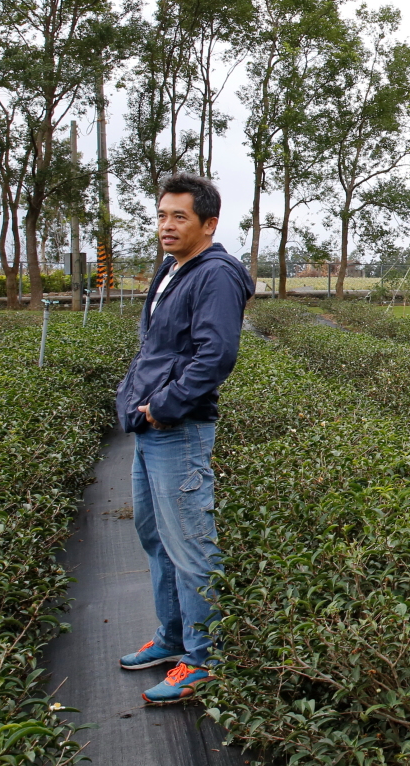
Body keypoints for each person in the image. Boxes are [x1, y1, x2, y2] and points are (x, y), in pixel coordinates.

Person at [113, 173, 253, 705]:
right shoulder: (172, 268)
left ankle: (205, 659)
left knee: (191, 545)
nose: (166, 226)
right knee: (155, 537)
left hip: (179, 429)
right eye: (162, 215)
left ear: (208, 224)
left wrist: (164, 405)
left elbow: (215, 355)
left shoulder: (215, 275)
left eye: (179, 217)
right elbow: (157, 346)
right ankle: (173, 638)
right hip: (150, 427)